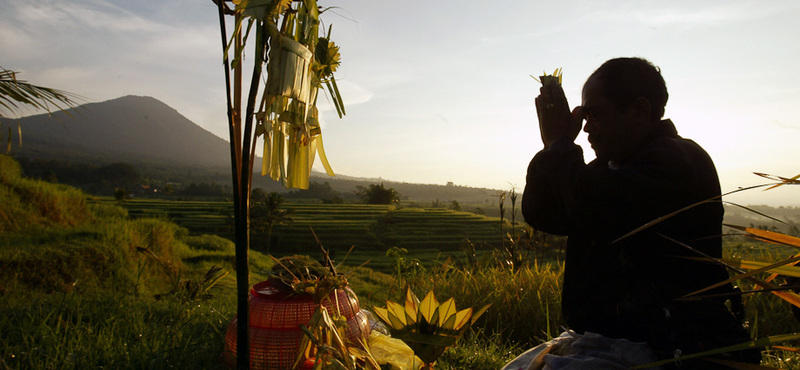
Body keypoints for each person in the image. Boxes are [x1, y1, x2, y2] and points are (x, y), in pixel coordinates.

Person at [511, 57, 760, 369]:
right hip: (608, 340)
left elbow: (592, 206)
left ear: (640, 111)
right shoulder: (611, 168)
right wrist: (553, 148)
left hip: (663, 346)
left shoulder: (676, 162)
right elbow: (544, 213)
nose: (586, 127)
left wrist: (560, 144)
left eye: (595, 114)